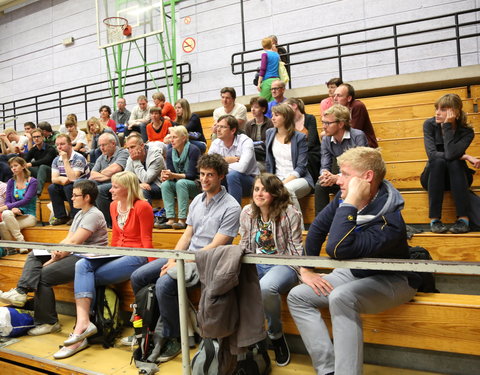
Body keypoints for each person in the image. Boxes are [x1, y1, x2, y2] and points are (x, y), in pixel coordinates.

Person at [287, 147, 422, 375]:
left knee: (342, 297)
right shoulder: (345, 200)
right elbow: (318, 228)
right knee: (298, 296)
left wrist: (349, 202)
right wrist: (306, 269)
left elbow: (337, 248)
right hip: (357, 272)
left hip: (396, 279)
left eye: (346, 174)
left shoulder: (390, 220)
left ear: (367, 177)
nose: (339, 180)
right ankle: (327, 369)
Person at [126, 153, 241, 361]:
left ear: (221, 176)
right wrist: (174, 258)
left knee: (163, 284)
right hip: (185, 257)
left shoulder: (232, 207)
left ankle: (174, 338)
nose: (204, 180)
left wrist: (182, 260)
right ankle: (149, 327)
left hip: (209, 261)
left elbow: (216, 246)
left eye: (210, 175)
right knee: (139, 276)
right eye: (202, 174)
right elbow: (187, 234)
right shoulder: (197, 199)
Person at [53, 171, 152, 359]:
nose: (110, 190)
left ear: (127, 189)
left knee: (85, 277)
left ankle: (79, 331)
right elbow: (115, 237)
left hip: (138, 255)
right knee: (82, 266)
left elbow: (147, 240)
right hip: (116, 252)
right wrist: (105, 254)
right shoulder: (114, 206)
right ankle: (83, 323)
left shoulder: (142, 207)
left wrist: (154, 268)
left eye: (115, 186)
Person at [0, 180, 108, 336]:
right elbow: (68, 239)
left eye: (75, 195)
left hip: (88, 257)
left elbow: (74, 243)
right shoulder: (80, 213)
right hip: (74, 252)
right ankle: (21, 291)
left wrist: (55, 257)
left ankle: (49, 322)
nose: (72, 198)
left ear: (87, 197)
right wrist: (55, 251)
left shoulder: (94, 214)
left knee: (43, 276)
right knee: (34, 254)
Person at [239, 173, 302, 367]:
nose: (259, 193)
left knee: (266, 287)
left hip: (283, 263)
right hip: (255, 262)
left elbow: (295, 248)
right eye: (256, 189)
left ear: (275, 193)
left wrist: (301, 271)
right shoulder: (247, 212)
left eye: (265, 189)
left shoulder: (290, 213)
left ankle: (276, 335)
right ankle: (249, 338)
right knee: (229, 282)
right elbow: (245, 244)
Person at [420, 93, 478, 234]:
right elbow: (432, 155)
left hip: (457, 176)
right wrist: (465, 156)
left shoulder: (467, 132)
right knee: (439, 161)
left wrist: (446, 126)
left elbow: (452, 154)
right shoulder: (429, 124)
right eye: (437, 108)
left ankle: (463, 220)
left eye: (443, 109)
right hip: (433, 176)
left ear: (456, 112)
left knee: (453, 162)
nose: (437, 113)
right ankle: (434, 220)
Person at [314, 104, 368, 215]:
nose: (324, 127)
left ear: (341, 124)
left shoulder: (358, 136)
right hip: (339, 177)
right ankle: (320, 221)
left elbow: (360, 167)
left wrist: (337, 177)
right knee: (321, 184)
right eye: (323, 122)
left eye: (328, 123)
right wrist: (325, 175)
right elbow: (325, 164)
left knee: (352, 183)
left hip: (357, 177)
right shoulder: (326, 139)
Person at [265, 103, 313, 216]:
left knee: (287, 190)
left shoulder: (299, 137)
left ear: (286, 117)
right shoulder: (269, 133)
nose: (273, 118)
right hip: (276, 178)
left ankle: (299, 229)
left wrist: (283, 182)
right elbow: (269, 162)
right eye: (272, 115)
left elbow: (301, 167)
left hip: (299, 178)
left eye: (276, 115)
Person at [209, 115, 259, 204]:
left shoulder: (245, 141)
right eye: (218, 126)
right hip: (225, 179)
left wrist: (219, 165)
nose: (218, 130)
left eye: (223, 127)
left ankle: (234, 212)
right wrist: (225, 160)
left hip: (250, 182)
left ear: (233, 130)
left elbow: (242, 168)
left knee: (232, 175)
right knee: (210, 177)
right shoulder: (216, 143)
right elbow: (208, 166)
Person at [158, 126, 201, 229]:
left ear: (184, 138)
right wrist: (166, 176)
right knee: (165, 184)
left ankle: (182, 219)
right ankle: (171, 219)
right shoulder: (169, 152)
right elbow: (171, 175)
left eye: (175, 137)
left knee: (181, 183)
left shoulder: (193, 150)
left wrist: (173, 175)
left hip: (195, 185)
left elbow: (191, 175)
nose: (172, 140)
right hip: (179, 184)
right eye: (171, 137)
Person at [48, 134, 90, 225]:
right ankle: (61, 217)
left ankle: (75, 216)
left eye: (62, 144)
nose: (59, 147)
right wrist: (63, 179)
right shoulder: (56, 160)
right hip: (67, 186)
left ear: (70, 144)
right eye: (57, 144)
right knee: (52, 187)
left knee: (69, 186)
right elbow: (54, 179)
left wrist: (65, 160)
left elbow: (73, 178)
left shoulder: (78, 158)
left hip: (84, 188)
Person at [90, 133, 129, 228]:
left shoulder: (123, 152)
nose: (101, 148)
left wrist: (101, 173)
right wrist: (108, 176)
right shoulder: (101, 157)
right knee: (87, 186)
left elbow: (115, 169)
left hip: (120, 183)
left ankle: (109, 223)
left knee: (99, 189)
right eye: (100, 145)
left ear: (113, 143)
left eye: (104, 145)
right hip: (106, 182)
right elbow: (92, 174)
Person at [0, 157, 37, 253]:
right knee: (5, 217)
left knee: (4, 224)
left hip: (28, 215)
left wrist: (7, 207)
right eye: (11, 166)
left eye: (16, 165)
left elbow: (26, 200)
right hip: (15, 215)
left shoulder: (32, 181)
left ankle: (19, 244)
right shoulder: (11, 182)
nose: (13, 168)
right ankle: (15, 247)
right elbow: (8, 200)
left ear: (24, 166)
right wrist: (13, 208)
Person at [286, 97, 321, 182]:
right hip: (297, 152)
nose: (285, 111)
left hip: (312, 151)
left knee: (307, 157)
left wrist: (300, 151)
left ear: (294, 106)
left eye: (287, 107)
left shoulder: (309, 118)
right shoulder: (288, 123)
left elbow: (312, 141)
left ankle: (311, 182)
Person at [333, 83, 378, 148]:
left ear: (349, 98)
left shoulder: (357, 106)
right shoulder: (338, 110)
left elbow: (353, 131)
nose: (335, 98)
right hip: (350, 145)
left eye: (339, 95)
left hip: (365, 147)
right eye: (334, 95)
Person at [124, 133, 165, 203]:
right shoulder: (131, 157)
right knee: (117, 188)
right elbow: (126, 177)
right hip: (141, 184)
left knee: (142, 191)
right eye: (128, 148)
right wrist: (138, 185)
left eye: (132, 147)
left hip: (159, 185)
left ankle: (146, 213)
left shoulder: (156, 156)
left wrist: (136, 161)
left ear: (142, 145)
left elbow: (146, 179)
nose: (130, 150)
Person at [24, 129, 58, 196]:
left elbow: (46, 160)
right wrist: (21, 164)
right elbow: (25, 159)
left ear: (42, 137)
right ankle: (23, 190)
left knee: (43, 166)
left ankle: (37, 192)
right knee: (24, 168)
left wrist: (31, 163)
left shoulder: (50, 148)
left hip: (52, 173)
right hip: (39, 173)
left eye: (38, 136)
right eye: (34, 137)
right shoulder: (34, 149)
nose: (36, 139)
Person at [244, 96, 274, 167]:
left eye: (256, 107)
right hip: (253, 153)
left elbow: (271, 142)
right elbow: (246, 141)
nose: (253, 109)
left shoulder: (270, 123)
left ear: (263, 109)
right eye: (252, 107)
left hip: (266, 154)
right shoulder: (248, 124)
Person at [257, 37, 280, 102]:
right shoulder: (277, 55)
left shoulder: (265, 54)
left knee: (262, 103)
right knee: (274, 103)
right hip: (277, 80)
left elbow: (263, 69)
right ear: (271, 44)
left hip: (267, 81)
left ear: (263, 46)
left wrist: (259, 82)